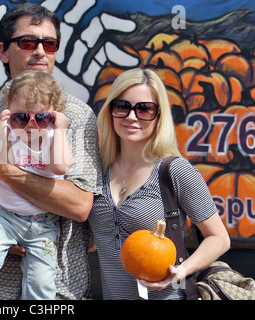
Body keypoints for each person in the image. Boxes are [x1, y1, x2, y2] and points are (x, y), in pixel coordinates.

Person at [0, 3, 102, 300]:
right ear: (3, 51)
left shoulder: (79, 116)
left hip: (58, 289)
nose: (39, 51)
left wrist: (5, 171)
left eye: (49, 43)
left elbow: (80, 205)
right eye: (27, 42)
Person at [89, 68, 231, 299]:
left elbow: (219, 239)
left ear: (159, 116)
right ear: (111, 111)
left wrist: (180, 271)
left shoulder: (174, 171)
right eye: (122, 106)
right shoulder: (98, 170)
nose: (131, 117)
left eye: (144, 108)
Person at [0, 70, 71, 300]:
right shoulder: (7, 135)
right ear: (8, 113)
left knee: (41, 280)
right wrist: (1, 130)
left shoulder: (52, 137)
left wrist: (59, 129)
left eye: (41, 118)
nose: (30, 125)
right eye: (20, 117)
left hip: (44, 225)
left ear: (54, 116)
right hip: (4, 217)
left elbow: (60, 167)